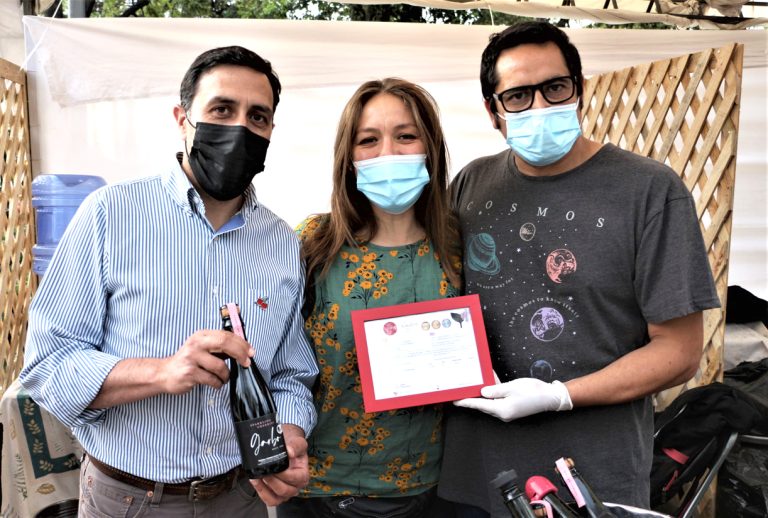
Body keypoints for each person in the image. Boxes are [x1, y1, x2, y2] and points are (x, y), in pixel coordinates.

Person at [20, 46, 318, 517]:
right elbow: (48, 367)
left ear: (270, 132)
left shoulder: (281, 241)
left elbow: (290, 373)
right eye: (222, 109)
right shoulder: (109, 215)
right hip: (128, 499)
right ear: (183, 118)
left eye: (257, 117)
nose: (239, 127)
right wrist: (160, 372)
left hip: (241, 496)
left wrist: (292, 432)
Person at [440, 21, 721, 517]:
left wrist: (559, 396)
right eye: (518, 96)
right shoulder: (471, 184)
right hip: (471, 477)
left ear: (580, 89)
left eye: (555, 88)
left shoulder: (649, 190)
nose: (541, 107)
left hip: (590, 483)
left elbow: (678, 352)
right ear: (492, 111)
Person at [277, 78, 462, 518]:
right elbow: (276, 357)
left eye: (406, 135)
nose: (389, 153)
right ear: (349, 156)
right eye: (369, 140)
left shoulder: (459, 243)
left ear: (430, 147)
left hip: (436, 486)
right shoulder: (313, 242)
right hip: (320, 487)